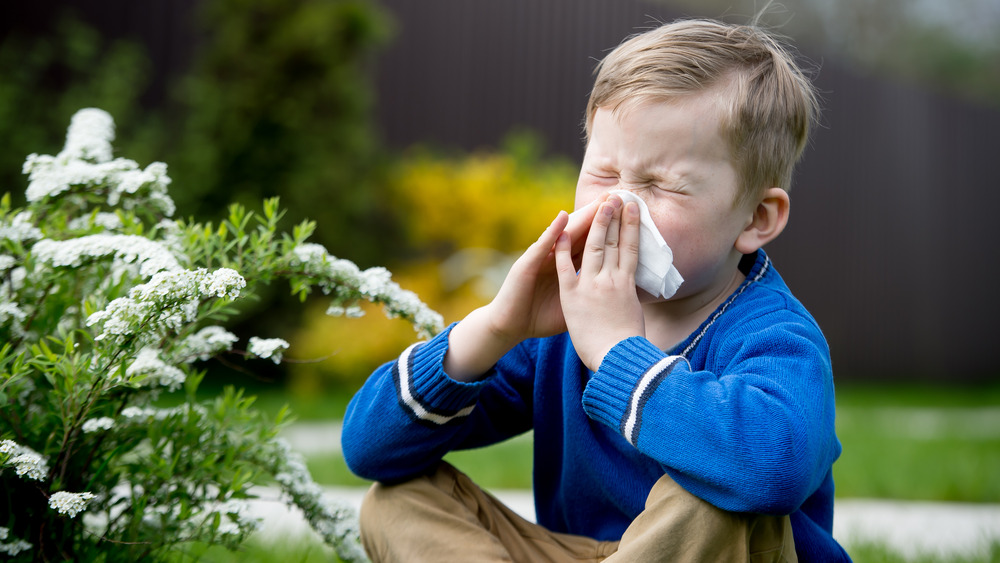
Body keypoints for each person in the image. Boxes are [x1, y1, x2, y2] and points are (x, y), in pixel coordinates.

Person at [342, 17, 850, 562]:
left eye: (662, 185)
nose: (619, 207)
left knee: (714, 495)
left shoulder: (774, 335)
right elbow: (370, 450)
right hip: (578, 550)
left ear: (756, 216)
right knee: (395, 499)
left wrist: (615, 354)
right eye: (604, 174)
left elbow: (772, 471)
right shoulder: (561, 323)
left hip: (712, 550)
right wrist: (494, 328)